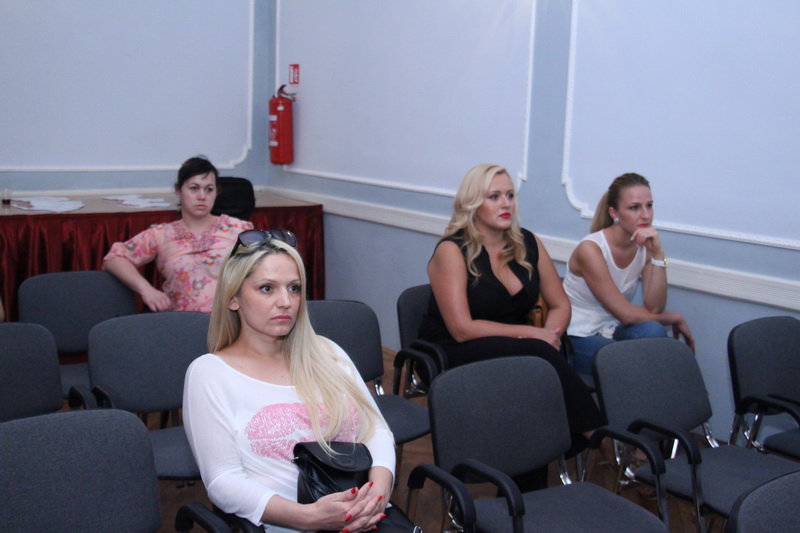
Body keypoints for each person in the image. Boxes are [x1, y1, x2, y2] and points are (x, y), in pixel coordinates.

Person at [183, 229, 394, 533]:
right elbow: (223, 481)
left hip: (365, 515)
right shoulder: (209, 374)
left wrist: (377, 495)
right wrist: (309, 517)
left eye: (294, 288)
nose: (285, 302)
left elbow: (375, 430)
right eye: (267, 288)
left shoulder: (328, 352)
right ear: (233, 298)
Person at [418, 163, 603, 455]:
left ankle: (543, 454)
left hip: (514, 343)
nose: (506, 204)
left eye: (510, 195)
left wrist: (550, 334)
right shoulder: (452, 250)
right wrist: (534, 335)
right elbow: (461, 329)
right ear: (472, 203)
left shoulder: (528, 243)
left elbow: (560, 303)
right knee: (536, 354)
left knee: (538, 358)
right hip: (451, 348)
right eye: (494, 197)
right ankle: (602, 440)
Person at [563, 172, 695, 376]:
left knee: (654, 332)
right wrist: (674, 317)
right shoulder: (591, 249)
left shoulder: (645, 246)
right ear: (614, 213)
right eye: (635, 207)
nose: (646, 215)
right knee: (627, 359)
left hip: (612, 328)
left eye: (649, 206)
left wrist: (658, 255)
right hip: (578, 335)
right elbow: (626, 314)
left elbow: (654, 307)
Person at [103, 156, 253, 313]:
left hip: (232, 320)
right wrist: (146, 289)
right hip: (182, 323)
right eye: (194, 188)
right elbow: (114, 257)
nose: (202, 196)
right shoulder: (161, 234)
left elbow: (264, 269)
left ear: (216, 192)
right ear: (178, 190)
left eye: (209, 189)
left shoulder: (237, 229)